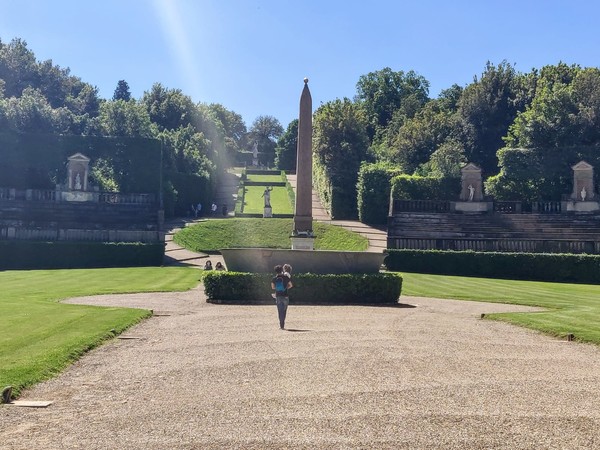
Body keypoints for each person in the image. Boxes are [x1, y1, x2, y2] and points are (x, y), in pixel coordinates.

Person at [271, 265, 292, 330]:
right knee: (284, 311)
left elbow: (273, 287)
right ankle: (283, 324)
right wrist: (285, 288)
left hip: (278, 296)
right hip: (285, 296)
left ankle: (281, 326)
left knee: (280, 311)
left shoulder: (274, 278)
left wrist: (278, 289)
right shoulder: (286, 277)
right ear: (282, 270)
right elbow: (291, 285)